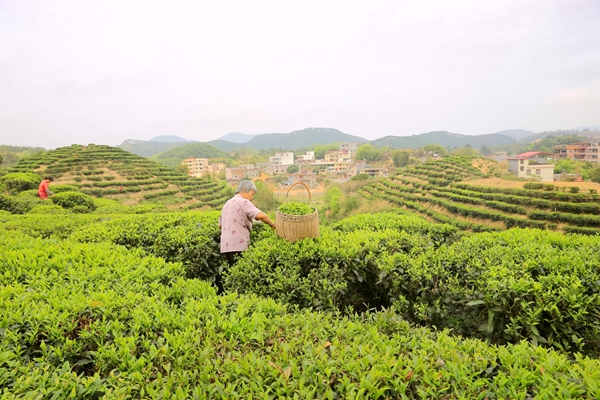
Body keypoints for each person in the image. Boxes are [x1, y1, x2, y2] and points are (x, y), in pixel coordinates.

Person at [217, 180, 275, 293]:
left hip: (226, 246)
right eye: (252, 194)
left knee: (235, 272)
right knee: (243, 276)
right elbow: (261, 215)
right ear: (244, 190)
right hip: (239, 244)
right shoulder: (243, 202)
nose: (251, 198)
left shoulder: (227, 203)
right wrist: (272, 224)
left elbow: (220, 225)